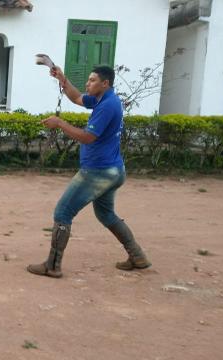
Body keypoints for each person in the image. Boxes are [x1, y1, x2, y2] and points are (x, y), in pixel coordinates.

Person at [27, 65, 151, 278]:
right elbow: (76, 98)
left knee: (63, 212)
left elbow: (87, 137)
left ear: (105, 83)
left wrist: (59, 123)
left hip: (98, 172)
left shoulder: (107, 106)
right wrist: (62, 78)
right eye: (88, 80)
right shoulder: (103, 98)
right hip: (114, 171)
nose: (87, 83)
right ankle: (137, 256)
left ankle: (53, 265)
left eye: (92, 80)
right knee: (106, 214)